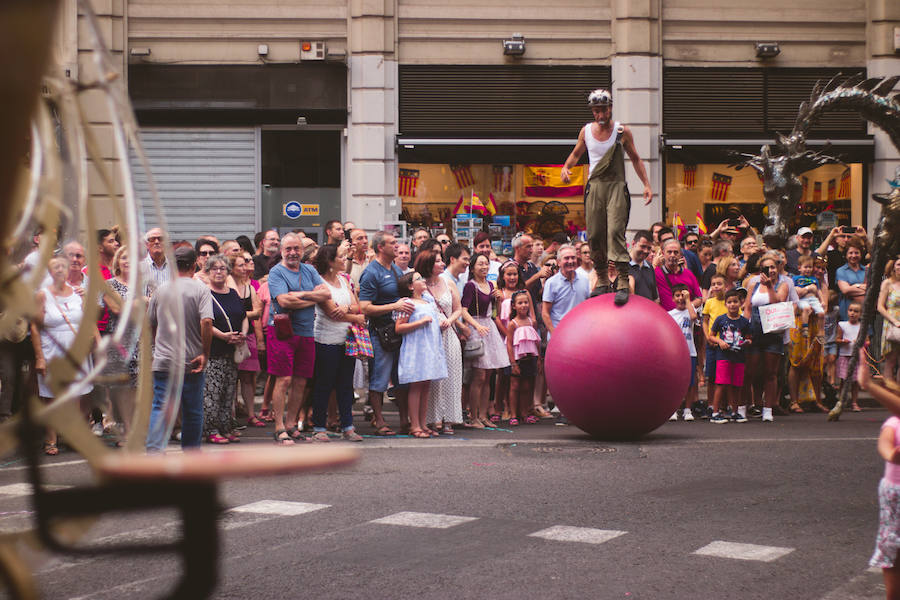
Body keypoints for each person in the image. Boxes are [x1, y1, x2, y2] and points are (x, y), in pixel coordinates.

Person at [560, 88, 652, 304]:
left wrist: (646, 184)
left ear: (610, 108)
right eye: (596, 111)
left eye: (603, 110)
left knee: (615, 232)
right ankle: (601, 279)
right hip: (595, 186)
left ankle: (621, 281)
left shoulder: (621, 132)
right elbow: (576, 153)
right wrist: (566, 168)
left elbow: (636, 158)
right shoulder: (586, 131)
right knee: (595, 234)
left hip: (616, 186)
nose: (600, 115)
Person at [146, 246, 213, 452]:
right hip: (190, 360)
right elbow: (207, 322)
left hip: (164, 360)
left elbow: (150, 323)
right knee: (192, 410)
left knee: (160, 407)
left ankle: (154, 452)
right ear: (195, 265)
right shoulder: (201, 289)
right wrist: (205, 353)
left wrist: (154, 349)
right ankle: (191, 454)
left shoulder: (161, 290)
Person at [267, 233, 331, 444]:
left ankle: (291, 424)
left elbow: (325, 295)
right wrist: (309, 296)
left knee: (301, 381)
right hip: (282, 331)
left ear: (302, 251)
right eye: (288, 249)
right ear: (282, 251)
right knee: (284, 379)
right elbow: (284, 301)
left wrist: (298, 296)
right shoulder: (276, 272)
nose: (293, 252)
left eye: (296, 248)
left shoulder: (310, 269)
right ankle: (278, 427)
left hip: (306, 331)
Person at [31, 256, 98, 455]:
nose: (60, 270)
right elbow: (34, 327)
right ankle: (51, 439)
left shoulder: (78, 293)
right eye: (55, 267)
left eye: (63, 267)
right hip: (52, 352)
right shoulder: (42, 295)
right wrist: (39, 357)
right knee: (52, 397)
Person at [359, 231, 415, 436]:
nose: (397, 246)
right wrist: (394, 306)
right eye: (392, 243)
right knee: (379, 379)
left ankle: (404, 421)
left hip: (398, 331)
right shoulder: (371, 272)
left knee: (401, 378)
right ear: (380, 247)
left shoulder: (396, 271)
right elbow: (364, 307)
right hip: (379, 333)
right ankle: (379, 421)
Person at [308, 244, 365, 442]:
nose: (345, 259)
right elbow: (332, 312)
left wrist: (348, 309)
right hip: (325, 340)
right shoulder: (320, 285)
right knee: (324, 384)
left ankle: (348, 426)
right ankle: (319, 426)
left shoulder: (344, 279)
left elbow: (358, 306)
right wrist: (354, 317)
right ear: (330, 261)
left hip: (347, 339)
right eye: (341, 256)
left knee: (345, 385)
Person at [394, 272, 447, 438]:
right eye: (418, 279)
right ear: (410, 286)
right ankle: (415, 425)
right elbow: (399, 327)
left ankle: (423, 423)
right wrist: (420, 322)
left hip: (430, 347)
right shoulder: (408, 303)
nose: (423, 280)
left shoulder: (428, 301)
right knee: (416, 386)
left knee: (426, 386)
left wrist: (440, 325)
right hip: (416, 348)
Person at [461, 252, 511, 428]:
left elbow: (495, 311)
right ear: (473, 267)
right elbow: (463, 310)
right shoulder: (470, 286)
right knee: (479, 375)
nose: (484, 267)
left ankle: (483, 415)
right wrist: (475, 325)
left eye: (486, 264)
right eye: (480, 264)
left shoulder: (491, 284)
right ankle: (473, 416)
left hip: (489, 327)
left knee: (489, 374)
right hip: (477, 328)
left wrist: (498, 299)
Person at [541, 245, 589, 425]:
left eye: (572, 258)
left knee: (581, 375)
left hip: (581, 338)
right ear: (559, 261)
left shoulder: (584, 280)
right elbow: (545, 312)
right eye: (566, 258)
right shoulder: (552, 283)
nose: (569, 261)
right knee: (562, 377)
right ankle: (563, 411)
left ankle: (579, 411)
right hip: (560, 337)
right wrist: (555, 333)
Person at [201, 254, 246, 444]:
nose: (219, 272)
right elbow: (203, 322)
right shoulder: (204, 294)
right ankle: (211, 430)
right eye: (214, 269)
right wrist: (224, 336)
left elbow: (243, 316)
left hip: (232, 351)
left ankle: (225, 426)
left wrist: (242, 334)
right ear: (208, 272)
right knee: (212, 392)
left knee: (229, 392)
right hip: (214, 351)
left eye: (222, 269)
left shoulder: (233, 293)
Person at [418, 249, 463, 435]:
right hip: (429, 336)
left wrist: (449, 321)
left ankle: (449, 419)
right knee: (434, 379)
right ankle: (431, 418)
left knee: (451, 376)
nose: (442, 264)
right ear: (428, 264)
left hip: (449, 334)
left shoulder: (448, 282)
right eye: (438, 261)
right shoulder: (419, 284)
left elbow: (458, 309)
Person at [99, 245, 140, 441]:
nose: (128, 262)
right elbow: (116, 309)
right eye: (124, 258)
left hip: (139, 340)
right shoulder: (109, 284)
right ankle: (123, 432)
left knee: (136, 388)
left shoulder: (142, 285)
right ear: (117, 262)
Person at [743, 255, 789, 422]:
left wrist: (769, 286)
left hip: (773, 332)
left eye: (773, 267)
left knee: (771, 373)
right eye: (766, 268)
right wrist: (745, 329)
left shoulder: (782, 285)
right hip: (754, 331)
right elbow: (748, 307)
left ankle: (768, 409)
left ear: (777, 269)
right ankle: (749, 406)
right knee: (750, 372)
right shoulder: (753, 285)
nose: (770, 270)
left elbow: (779, 303)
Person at [231, 252, 264, 427]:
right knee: (230, 379)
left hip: (248, 335)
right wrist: (245, 314)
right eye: (240, 265)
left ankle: (252, 414)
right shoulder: (226, 286)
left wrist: (239, 315)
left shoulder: (249, 288)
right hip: (229, 336)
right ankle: (231, 416)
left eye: (245, 264)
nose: (245, 268)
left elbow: (257, 312)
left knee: (247, 377)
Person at [710, 289, 752, 423]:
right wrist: (720, 341)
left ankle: (735, 412)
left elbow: (749, 338)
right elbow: (711, 336)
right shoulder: (720, 319)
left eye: (735, 301)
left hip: (739, 357)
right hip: (723, 356)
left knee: (737, 385)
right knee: (721, 384)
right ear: (725, 304)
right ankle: (715, 413)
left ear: (740, 303)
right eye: (729, 302)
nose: (732, 304)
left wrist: (746, 342)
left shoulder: (744, 322)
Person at [505, 290, 540, 426]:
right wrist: (513, 363)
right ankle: (514, 414)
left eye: (526, 302)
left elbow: (536, 341)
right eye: (520, 303)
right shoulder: (513, 324)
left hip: (530, 358)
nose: (523, 305)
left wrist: (538, 359)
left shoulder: (532, 322)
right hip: (517, 360)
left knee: (527, 386)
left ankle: (525, 412)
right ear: (514, 306)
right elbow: (509, 344)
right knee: (514, 386)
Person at [667, 284, 699, 422]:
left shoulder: (690, 310)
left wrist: (688, 301)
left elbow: (693, 317)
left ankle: (687, 409)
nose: (680, 298)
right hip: (675, 354)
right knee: (674, 382)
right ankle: (673, 409)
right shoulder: (669, 315)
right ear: (673, 298)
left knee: (690, 382)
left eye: (683, 295)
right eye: (678, 295)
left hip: (690, 351)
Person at [701, 273, 729, 416]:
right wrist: (708, 337)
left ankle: (724, 405)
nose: (716, 287)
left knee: (724, 377)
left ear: (726, 286)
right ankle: (711, 405)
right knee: (711, 377)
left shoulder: (730, 302)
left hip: (726, 346)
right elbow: (705, 321)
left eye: (719, 284)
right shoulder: (710, 302)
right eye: (714, 284)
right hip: (712, 344)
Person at [655, 239, 702, 312]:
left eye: (676, 252)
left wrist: (686, 307)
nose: (672, 255)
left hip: (686, 320)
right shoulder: (656, 273)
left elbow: (699, 298)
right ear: (663, 253)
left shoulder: (689, 274)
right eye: (669, 252)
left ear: (680, 254)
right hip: (666, 319)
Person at [836, 301, 864, 412]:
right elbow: (837, 340)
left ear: (861, 314)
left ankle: (854, 402)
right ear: (847, 311)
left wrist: (860, 342)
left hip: (856, 357)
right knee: (844, 380)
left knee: (855, 381)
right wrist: (843, 341)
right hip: (845, 356)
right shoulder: (842, 325)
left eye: (856, 311)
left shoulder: (862, 326)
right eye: (850, 310)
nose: (853, 313)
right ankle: (841, 401)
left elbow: (867, 341)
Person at [879, 259, 900, 387]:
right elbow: (880, 306)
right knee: (891, 361)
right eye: (899, 264)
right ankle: (889, 392)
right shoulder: (887, 283)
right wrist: (895, 321)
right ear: (893, 267)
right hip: (892, 324)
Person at [836, 237, 868, 320]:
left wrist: (853, 287)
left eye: (856, 253)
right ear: (846, 255)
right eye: (850, 253)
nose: (853, 256)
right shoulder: (841, 271)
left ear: (861, 254)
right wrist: (861, 287)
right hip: (847, 313)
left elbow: (871, 290)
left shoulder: (866, 270)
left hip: (864, 313)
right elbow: (845, 290)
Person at [628, 230, 659, 303]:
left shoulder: (649, 267)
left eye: (649, 248)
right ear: (633, 244)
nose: (646, 251)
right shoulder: (623, 266)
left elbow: (654, 297)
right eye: (643, 246)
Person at [140, 228, 170, 297]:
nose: (156, 242)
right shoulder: (139, 268)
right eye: (152, 239)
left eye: (160, 239)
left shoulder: (175, 267)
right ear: (146, 244)